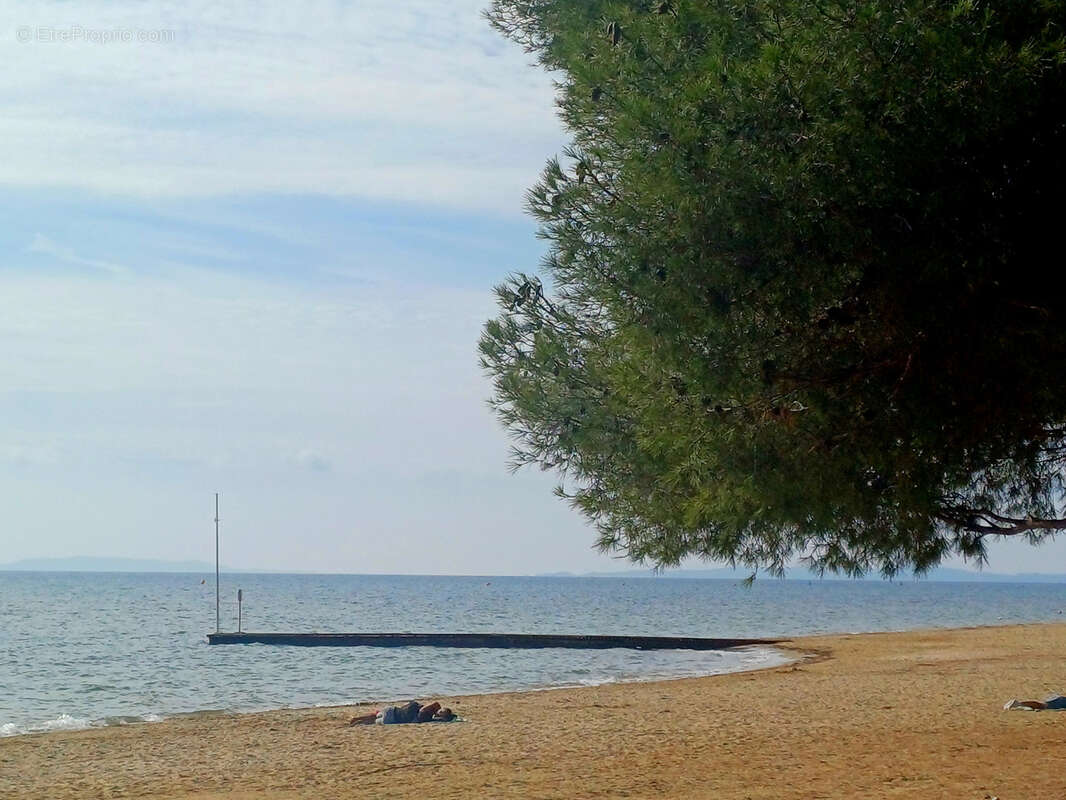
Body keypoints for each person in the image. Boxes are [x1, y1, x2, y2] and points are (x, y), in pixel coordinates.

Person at [348, 700, 456, 725]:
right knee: (374, 719)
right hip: (392, 717)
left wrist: (437, 710)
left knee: (375, 716)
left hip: (392, 712)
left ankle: (358, 720)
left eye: (441, 711)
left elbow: (436, 703)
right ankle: (358, 721)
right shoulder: (426, 717)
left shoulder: (424, 714)